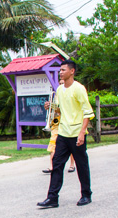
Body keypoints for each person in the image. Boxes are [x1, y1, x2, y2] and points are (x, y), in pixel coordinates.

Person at [37, 59, 95, 208]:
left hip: (76, 133)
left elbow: (88, 112)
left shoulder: (79, 88)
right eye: (60, 70)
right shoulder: (60, 90)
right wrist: (50, 106)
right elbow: (59, 110)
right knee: (57, 164)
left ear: (72, 71)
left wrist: (82, 133)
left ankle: (86, 194)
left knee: (81, 165)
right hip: (63, 133)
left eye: (63, 70)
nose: (61, 72)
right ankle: (52, 198)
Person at [43, 79, 76, 173]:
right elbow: (53, 111)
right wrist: (48, 107)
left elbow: (65, 110)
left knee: (69, 145)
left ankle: (72, 164)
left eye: (63, 83)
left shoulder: (69, 95)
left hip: (66, 123)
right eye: (60, 83)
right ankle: (51, 166)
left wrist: (53, 107)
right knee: (52, 144)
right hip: (56, 124)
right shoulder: (56, 95)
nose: (61, 84)